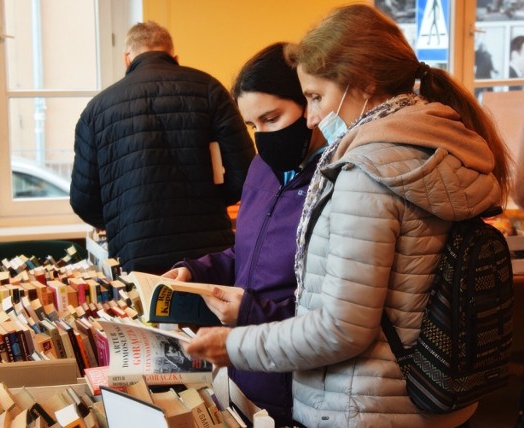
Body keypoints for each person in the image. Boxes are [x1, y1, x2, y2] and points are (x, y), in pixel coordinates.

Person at [185, 4, 511, 427]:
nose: (315, 117)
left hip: (363, 405)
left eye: (317, 97)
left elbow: (341, 328)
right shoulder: (432, 147)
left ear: (363, 82)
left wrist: (234, 345)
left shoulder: (367, 172)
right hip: (428, 397)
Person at [162, 42, 325, 426]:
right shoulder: (261, 169)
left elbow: (334, 315)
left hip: (298, 381)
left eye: (271, 118)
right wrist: (195, 270)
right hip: (245, 374)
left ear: (309, 103)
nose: (262, 137)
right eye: (252, 126)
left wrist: (251, 311)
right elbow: (247, 253)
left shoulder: (334, 181)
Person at [70, 21, 255, 274]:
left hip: (135, 249)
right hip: (207, 249)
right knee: (210, 313)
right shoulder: (209, 89)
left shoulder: (97, 110)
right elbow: (245, 172)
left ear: (127, 59)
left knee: (149, 313)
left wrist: (124, 216)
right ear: (174, 56)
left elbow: (83, 201)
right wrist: (210, 201)